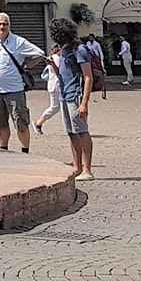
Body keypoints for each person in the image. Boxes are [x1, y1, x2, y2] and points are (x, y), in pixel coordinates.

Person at [0, 13, 45, 154]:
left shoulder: (18, 42)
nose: (2, 27)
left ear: (9, 25)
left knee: (21, 123)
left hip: (15, 89)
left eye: (5, 24)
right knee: (0, 123)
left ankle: (25, 152)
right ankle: (4, 151)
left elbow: (40, 53)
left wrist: (28, 65)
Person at [50, 18, 94, 180]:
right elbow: (62, 75)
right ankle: (77, 167)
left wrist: (84, 103)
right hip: (64, 95)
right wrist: (52, 64)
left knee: (82, 132)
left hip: (75, 96)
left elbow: (88, 77)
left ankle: (87, 170)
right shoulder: (65, 50)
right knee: (71, 133)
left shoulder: (80, 50)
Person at [33, 44, 65, 135]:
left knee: (58, 107)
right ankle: (38, 123)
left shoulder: (54, 57)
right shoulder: (56, 58)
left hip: (55, 85)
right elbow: (59, 72)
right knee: (55, 107)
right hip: (56, 85)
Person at [85, 34, 108, 100]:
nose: (90, 38)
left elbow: (100, 52)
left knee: (101, 71)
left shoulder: (97, 44)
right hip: (90, 59)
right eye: (89, 37)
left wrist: (101, 60)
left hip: (96, 59)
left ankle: (102, 89)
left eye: (91, 37)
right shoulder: (88, 43)